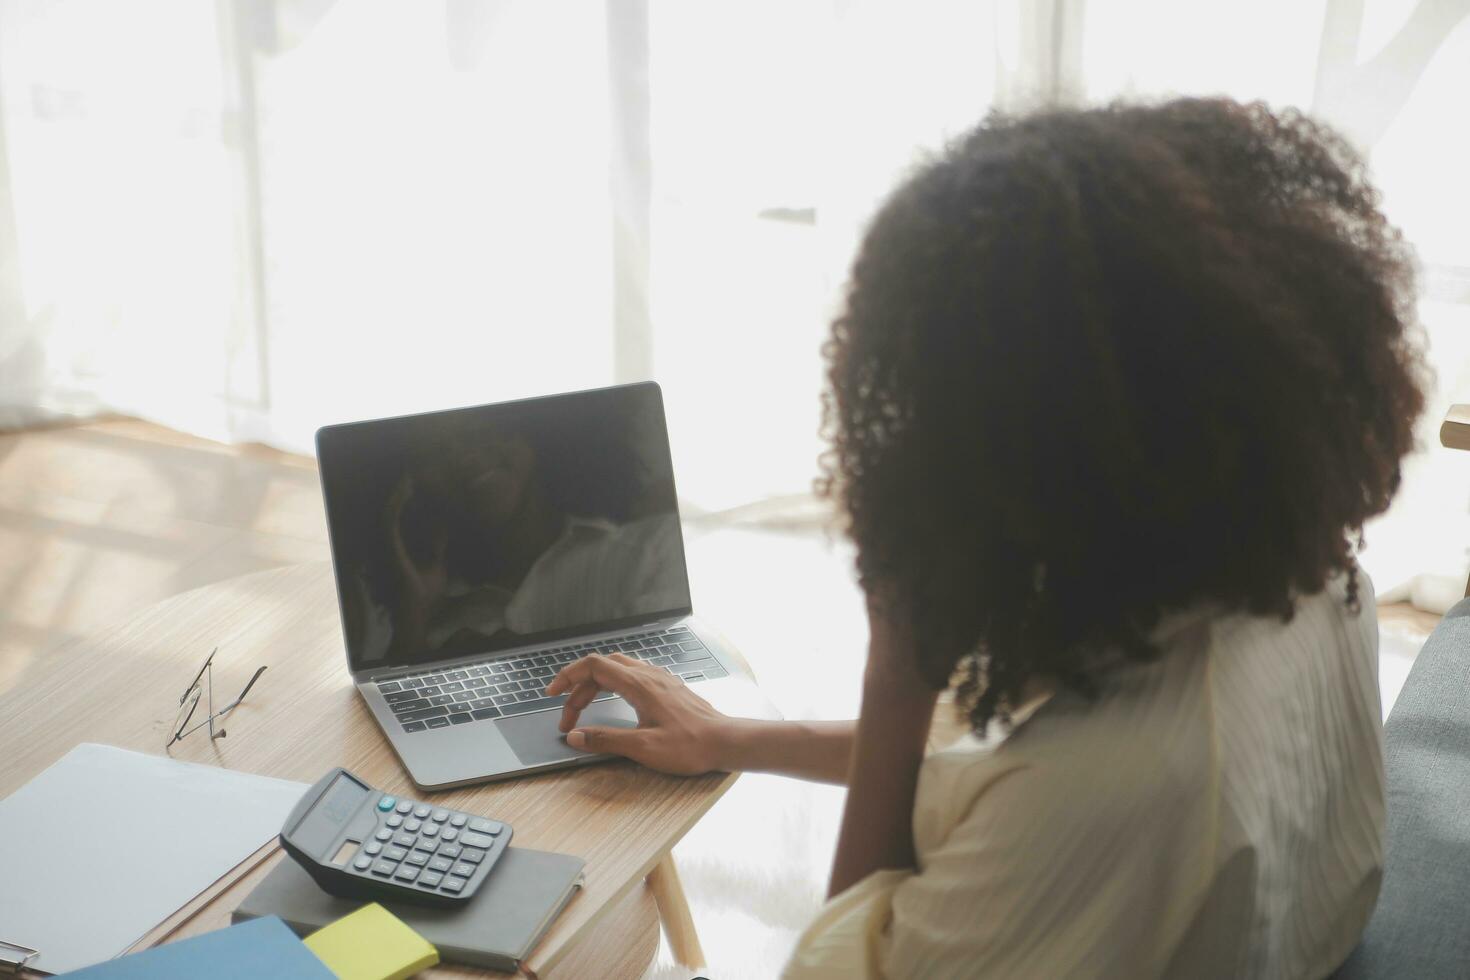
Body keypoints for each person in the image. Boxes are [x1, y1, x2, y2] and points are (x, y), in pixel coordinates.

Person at [547, 97, 1425, 978]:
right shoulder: (1300, 576)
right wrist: (731, 737)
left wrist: (894, 677)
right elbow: (987, 757)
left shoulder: (1112, 794)